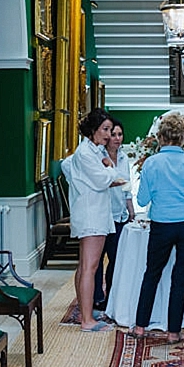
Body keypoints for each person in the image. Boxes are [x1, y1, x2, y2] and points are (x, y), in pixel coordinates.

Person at [130, 113, 184, 344]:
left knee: (152, 273)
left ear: (160, 137)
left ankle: (140, 326)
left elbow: (143, 199)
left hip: (162, 224)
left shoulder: (151, 164)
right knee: (181, 275)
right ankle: (173, 331)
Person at [66, 108, 123, 332]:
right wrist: (110, 168)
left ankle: (86, 309)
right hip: (92, 214)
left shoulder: (92, 151)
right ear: (93, 130)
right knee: (90, 267)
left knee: (85, 266)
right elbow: (102, 181)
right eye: (105, 130)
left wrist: (108, 170)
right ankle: (87, 320)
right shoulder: (86, 153)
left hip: (93, 211)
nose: (109, 135)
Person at [93, 118, 134, 310]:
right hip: (101, 215)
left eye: (120, 134)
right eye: (113, 134)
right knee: (97, 260)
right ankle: (96, 297)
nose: (117, 138)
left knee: (116, 258)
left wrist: (131, 211)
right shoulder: (98, 157)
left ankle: (112, 295)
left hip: (119, 216)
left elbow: (126, 188)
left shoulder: (125, 158)